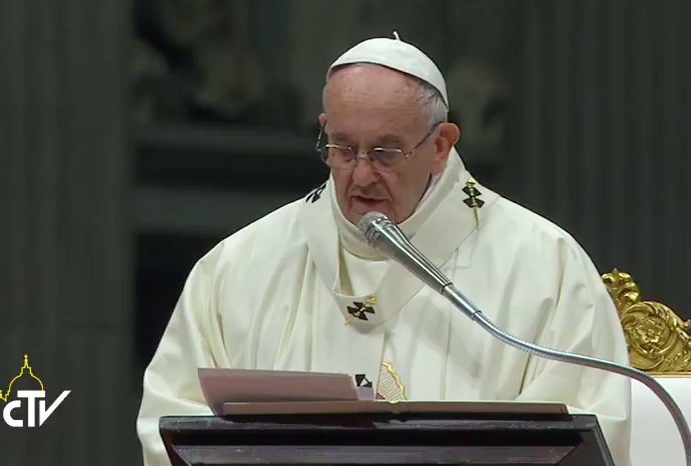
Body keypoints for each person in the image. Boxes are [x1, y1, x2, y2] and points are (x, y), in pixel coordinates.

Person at [137, 33, 632, 466]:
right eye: (342, 148)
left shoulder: (543, 265)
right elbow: (173, 423)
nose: (361, 174)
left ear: (440, 145)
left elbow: (585, 429)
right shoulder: (238, 267)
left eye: (385, 152)